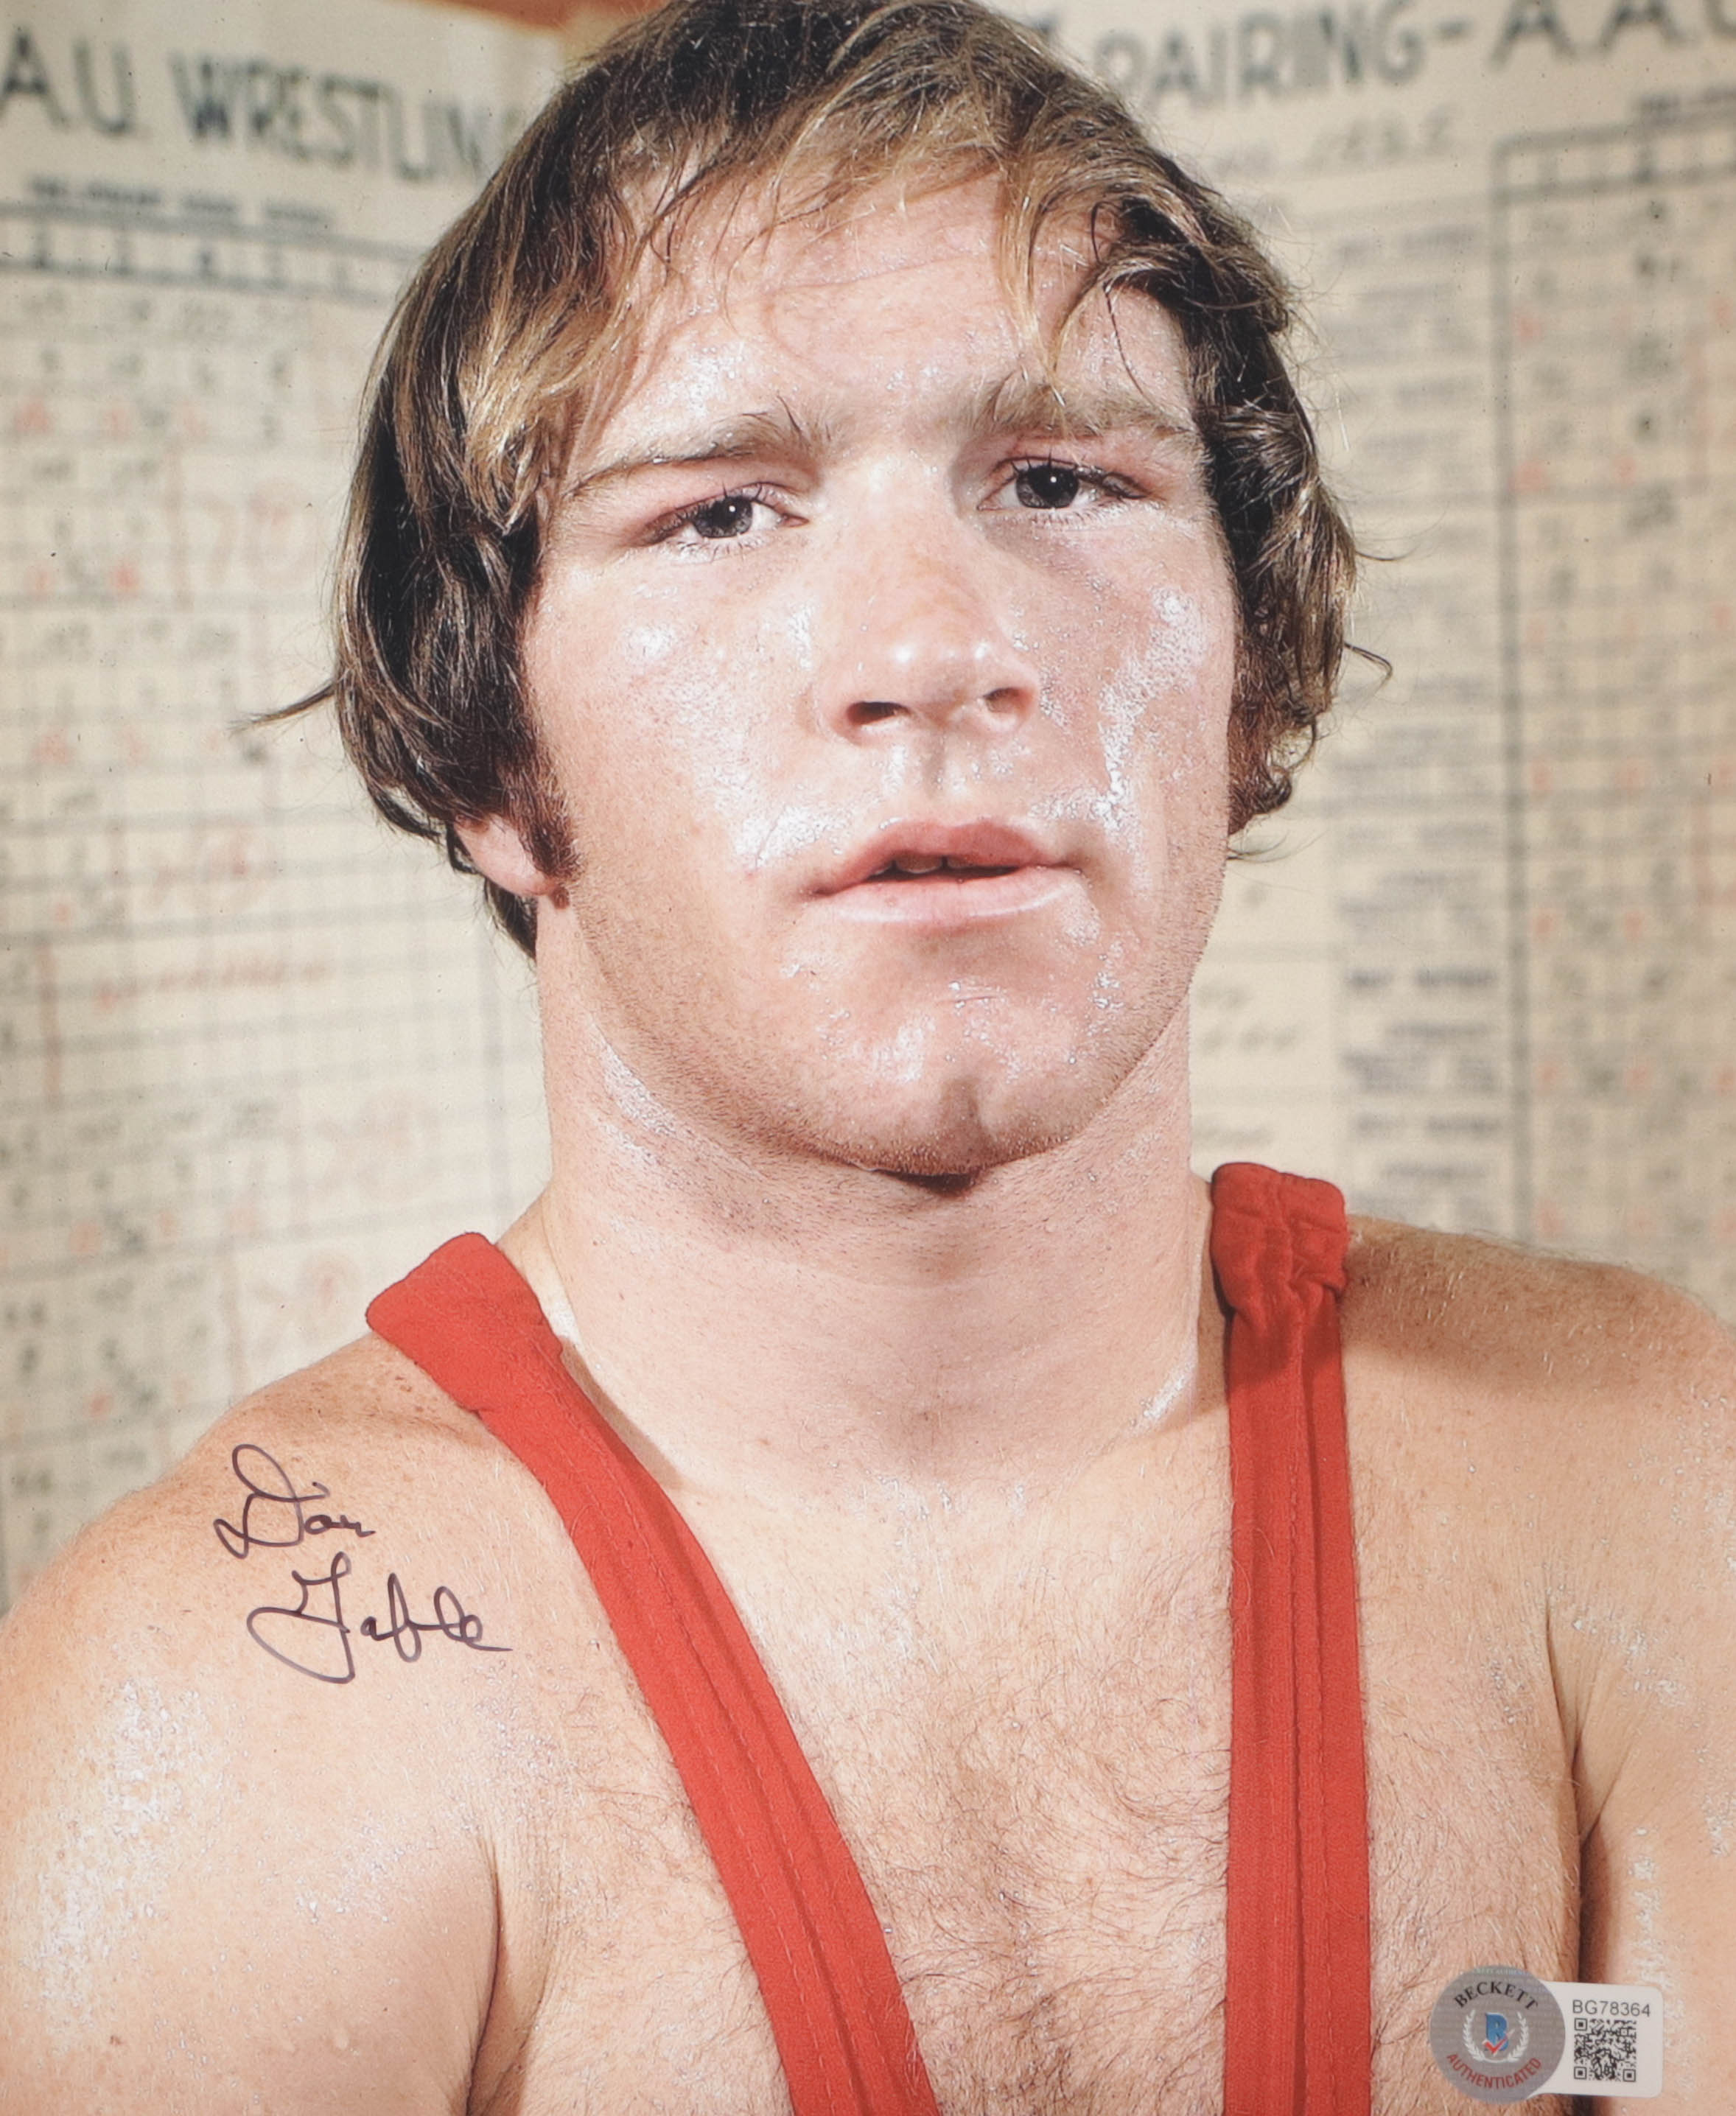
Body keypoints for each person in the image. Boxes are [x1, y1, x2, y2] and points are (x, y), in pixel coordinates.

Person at [1, 1, 1731, 2109]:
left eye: (1063, 479)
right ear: (489, 753)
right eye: (723, 512)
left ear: (1251, 678)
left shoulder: (1645, 1481)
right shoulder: (221, 1716)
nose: (936, 650)